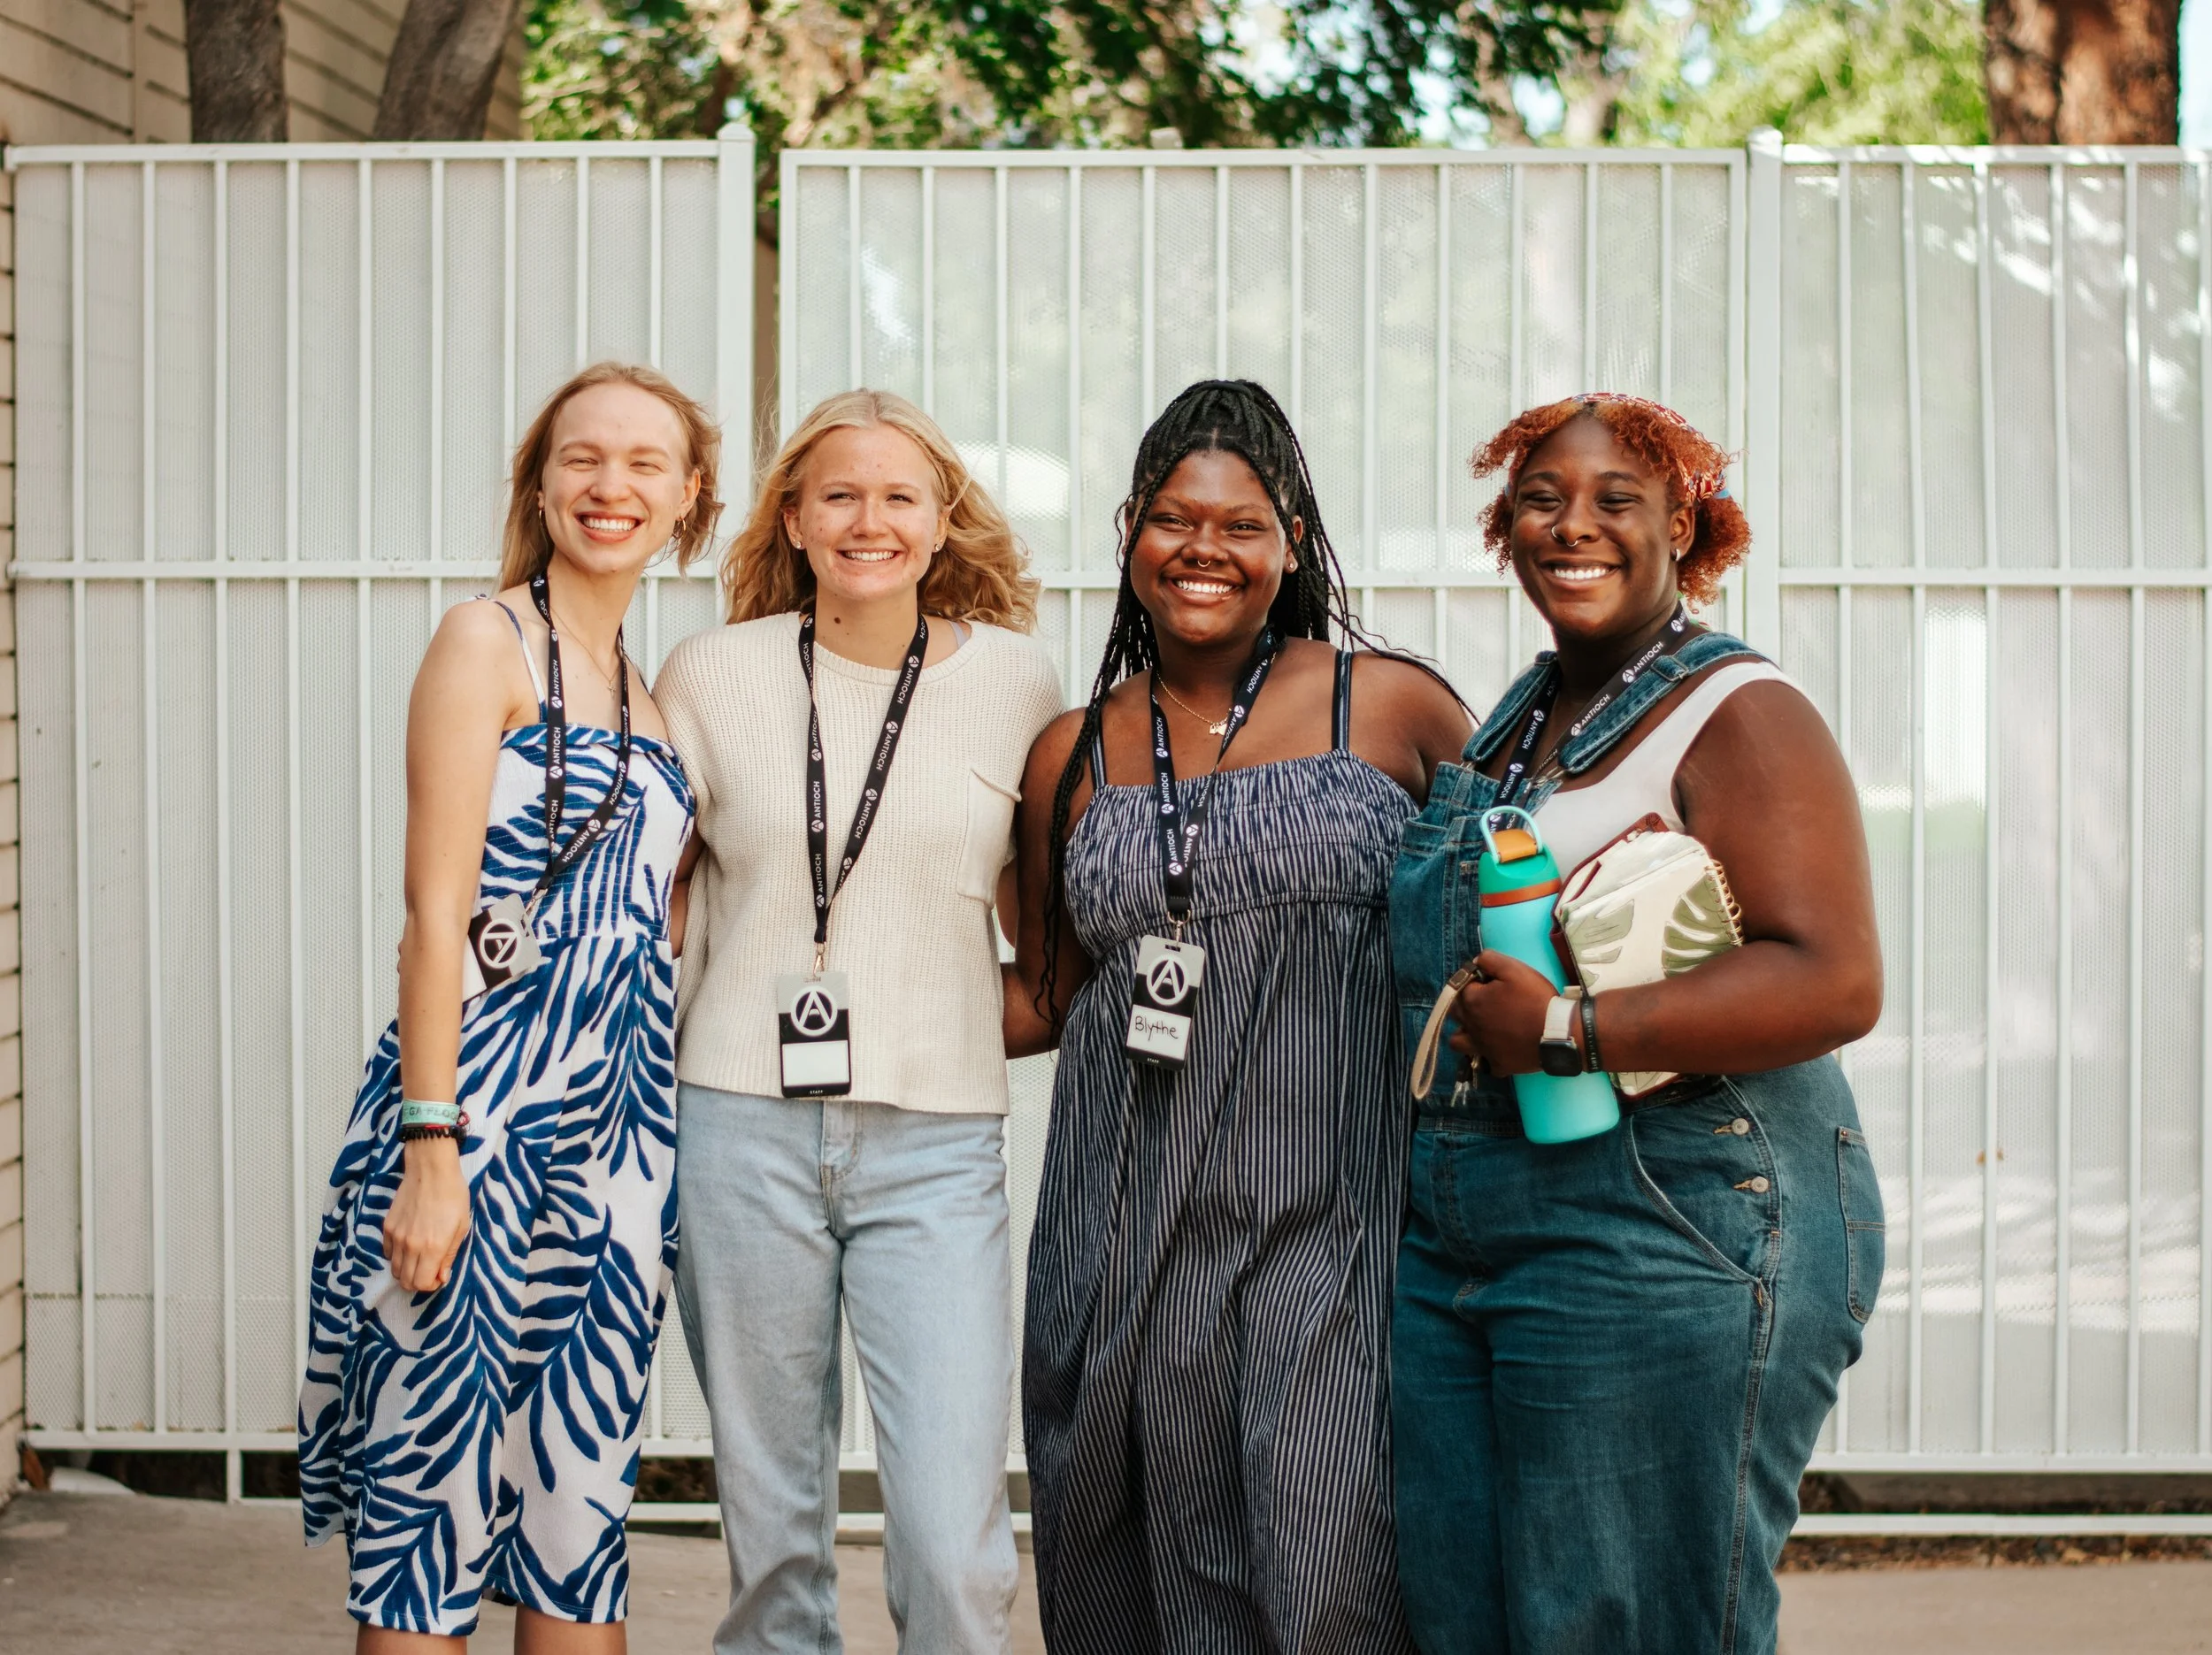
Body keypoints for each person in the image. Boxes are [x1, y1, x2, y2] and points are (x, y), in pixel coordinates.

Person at [1386, 393, 1886, 1654]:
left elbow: (1834, 980)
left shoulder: (1740, 710)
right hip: (1467, 1227)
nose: (1574, 526)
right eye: (1541, 500)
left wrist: (1570, 1025)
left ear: (1685, 527)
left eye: (1618, 500)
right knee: (1468, 1622)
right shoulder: (1520, 721)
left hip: (1667, 1215)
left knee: (1630, 1625)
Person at [1005, 379, 1471, 1654]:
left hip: (1340, 1212)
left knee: (1328, 1560)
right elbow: (1047, 994)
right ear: (1129, 534)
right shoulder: (1073, 752)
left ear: (1293, 546)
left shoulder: (1389, 705)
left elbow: (1505, 906)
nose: (1202, 548)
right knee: (1147, 1566)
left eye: (1241, 524)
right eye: (1173, 518)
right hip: (1127, 1226)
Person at [298, 362, 716, 1649]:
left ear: (690, 498)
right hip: (475, 1118)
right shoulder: (483, 640)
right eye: (582, 458)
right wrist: (432, 1152)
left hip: (615, 1148)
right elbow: (435, 917)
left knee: (575, 1525)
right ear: (539, 487)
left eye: (645, 463)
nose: (611, 485)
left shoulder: (654, 691)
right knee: (427, 1521)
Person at [655, 388, 1062, 1654]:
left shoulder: (1014, 682)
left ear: (941, 523)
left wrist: (947, 1025)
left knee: (949, 1539)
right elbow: (654, 902)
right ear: (793, 517)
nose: (867, 520)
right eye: (838, 493)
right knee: (773, 1530)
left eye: (898, 496)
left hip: (935, 1141)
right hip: (739, 1129)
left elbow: (1042, 936)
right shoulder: (712, 673)